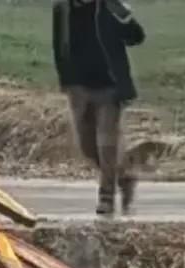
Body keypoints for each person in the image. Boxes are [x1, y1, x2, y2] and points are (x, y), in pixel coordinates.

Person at [52, 0, 146, 218]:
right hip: (77, 87)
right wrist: (65, 80)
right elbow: (58, 45)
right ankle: (123, 177)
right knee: (87, 147)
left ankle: (106, 198)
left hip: (108, 87)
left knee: (106, 146)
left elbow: (136, 37)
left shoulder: (109, 7)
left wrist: (124, 17)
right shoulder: (62, 8)